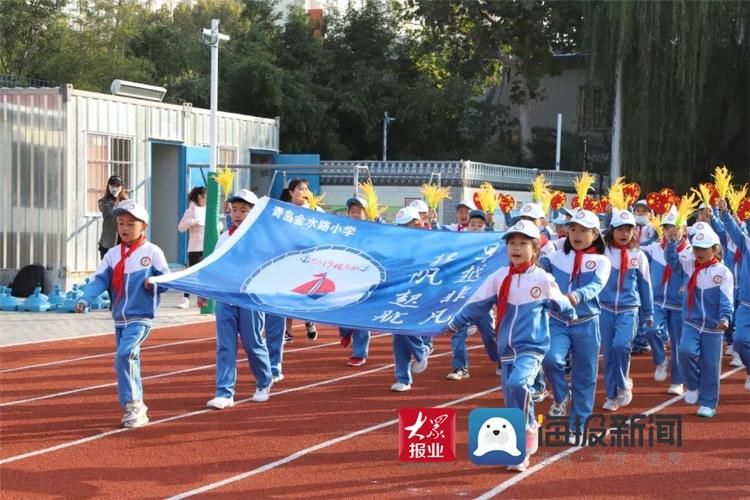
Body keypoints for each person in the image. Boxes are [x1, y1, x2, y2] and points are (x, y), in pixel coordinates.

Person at [447, 220, 576, 471]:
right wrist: (452, 324)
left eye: (523, 243)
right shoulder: (499, 277)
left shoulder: (542, 278)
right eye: (512, 243)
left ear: (535, 249)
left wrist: (568, 311)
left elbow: (562, 306)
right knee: (510, 401)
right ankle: (521, 441)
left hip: (532, 347)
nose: (516, 248)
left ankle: (526, 436)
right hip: (505, 351)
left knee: (519, 384)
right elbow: (476, 306)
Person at [75, 200, 169, 428]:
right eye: (121, 223)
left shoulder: (152, 251)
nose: (124, 228)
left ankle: (133, 404)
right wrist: (85, 298)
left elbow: (166, 278)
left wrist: (153, 282)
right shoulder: (112, 255)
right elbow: (100, 280)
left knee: (124, 355)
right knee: (127, 360)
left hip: (141, 317)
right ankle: (135, 404)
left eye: (130, 224)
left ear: (143, 227)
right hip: (119, 319)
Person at [540, 209, 611, 442]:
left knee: (585, 375)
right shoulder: (555, 257)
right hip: (559, 320)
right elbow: (536, 269)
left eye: (583, 230)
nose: (576, 234)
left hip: (587, 323)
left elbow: (596, 287)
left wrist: (576, 296)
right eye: (572, 229)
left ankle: (578, 424)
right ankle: (561, 395)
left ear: (595, 234)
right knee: (550, 358)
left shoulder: (602, 261)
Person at [206, 189, 273, 409]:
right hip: (226, 296)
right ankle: (224, 392)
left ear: (254, 213)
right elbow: (215, 265)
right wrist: (206, 292)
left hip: (250, 297)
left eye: (243, 210)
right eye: (234, 210)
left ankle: (264, 380)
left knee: (252, 341)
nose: (238, 214)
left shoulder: (261, 237)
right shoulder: (225, 236)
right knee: (225, 345)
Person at [666, 224, 733, 417]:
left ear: (715, 249)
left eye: (704, 248)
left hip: (714, 327)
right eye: (696, 248)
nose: (699, 252)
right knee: (685, 351)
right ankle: (693, 385)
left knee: (711, 366)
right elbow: (672, 261)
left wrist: (725, 318)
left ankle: (708, 404)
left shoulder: (722, 272)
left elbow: (726, 299)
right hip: (692, 322)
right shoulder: (688, 265)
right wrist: (672, 241)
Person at [600, 209, 654, 411]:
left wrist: (648, 313)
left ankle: (623, 383)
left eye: (629, 230)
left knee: (622, 346)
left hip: (629, 308)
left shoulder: (638, 256)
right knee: (609, 354)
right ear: (612, 230)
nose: (624, 234)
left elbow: (645, 285)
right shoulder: (602, 253)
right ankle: (612, 395)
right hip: (605, 309)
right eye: (620, 229)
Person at [642, 207, 690, 395]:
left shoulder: (690, 252)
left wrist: (687, 285)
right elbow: (634, 249)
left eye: (674, 227)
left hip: (679, 305)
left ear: (684, 230)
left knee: (678, 344)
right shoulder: (654, 248)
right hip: (657, 301)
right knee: (650, 329)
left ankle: (677, 381)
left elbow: (693, 273)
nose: (670, 230)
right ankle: (660, 360)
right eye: (666, 227)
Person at [446, 210, 499, 380]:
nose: (475, 227)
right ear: (466, 226)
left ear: (485, 227)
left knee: (489, 337)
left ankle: (500, 359)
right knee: (458, 332)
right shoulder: (460, 246)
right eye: (472, 224)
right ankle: (460, 368)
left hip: (483, 300)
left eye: (479, 225)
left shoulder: (491, 248)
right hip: (462, 299)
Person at [390, 206, 430, 391]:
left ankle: (421, 351)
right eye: (401, 225)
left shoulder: (428, 243)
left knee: (406, 329)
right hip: (398, 293)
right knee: (398, 333)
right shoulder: (394, 245)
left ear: (417, 224)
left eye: (408, 225)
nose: (403, 229)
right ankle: (403, 378)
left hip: (420, 293)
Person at [278, 178, 319, 342]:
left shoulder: (315, 209)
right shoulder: (283, 211)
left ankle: (309, 319)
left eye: (306, 189)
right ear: (291, 192)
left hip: (309, 259)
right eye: (300, 189)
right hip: (288, 259)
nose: (303, 192)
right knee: (288, 294)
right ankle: (287, 330)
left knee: (307, 292)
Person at [338, 197, 372, 367]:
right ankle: (345, 331)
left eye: (359, 212)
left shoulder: (374, 230)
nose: (356, 214)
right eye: (353, 212)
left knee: (361, 317)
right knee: (341, 312)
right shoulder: (342, 230)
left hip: (366, 279)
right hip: (344, 279)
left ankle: (359, 353)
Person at [177, 186, 207, 309]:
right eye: (206, 197)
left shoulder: (208, 209)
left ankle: (203, 298)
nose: (207, 199)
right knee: (192, 273)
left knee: (205, 273)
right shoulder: (191, 210)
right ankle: (185, 298)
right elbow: (180, 227)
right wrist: (192, 221)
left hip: (207, 246)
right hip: (195, 247)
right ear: (200, 197)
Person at [98, 175, 129, 259]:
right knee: (107, 268)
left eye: (117, 186)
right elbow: (107, 214)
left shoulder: (126, 202)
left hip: (122, 240)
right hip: (108, 242)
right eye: (112, 185)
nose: (115, 188)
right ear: (108, 186)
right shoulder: (103, 202)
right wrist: (113, 199)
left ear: (121, 187)